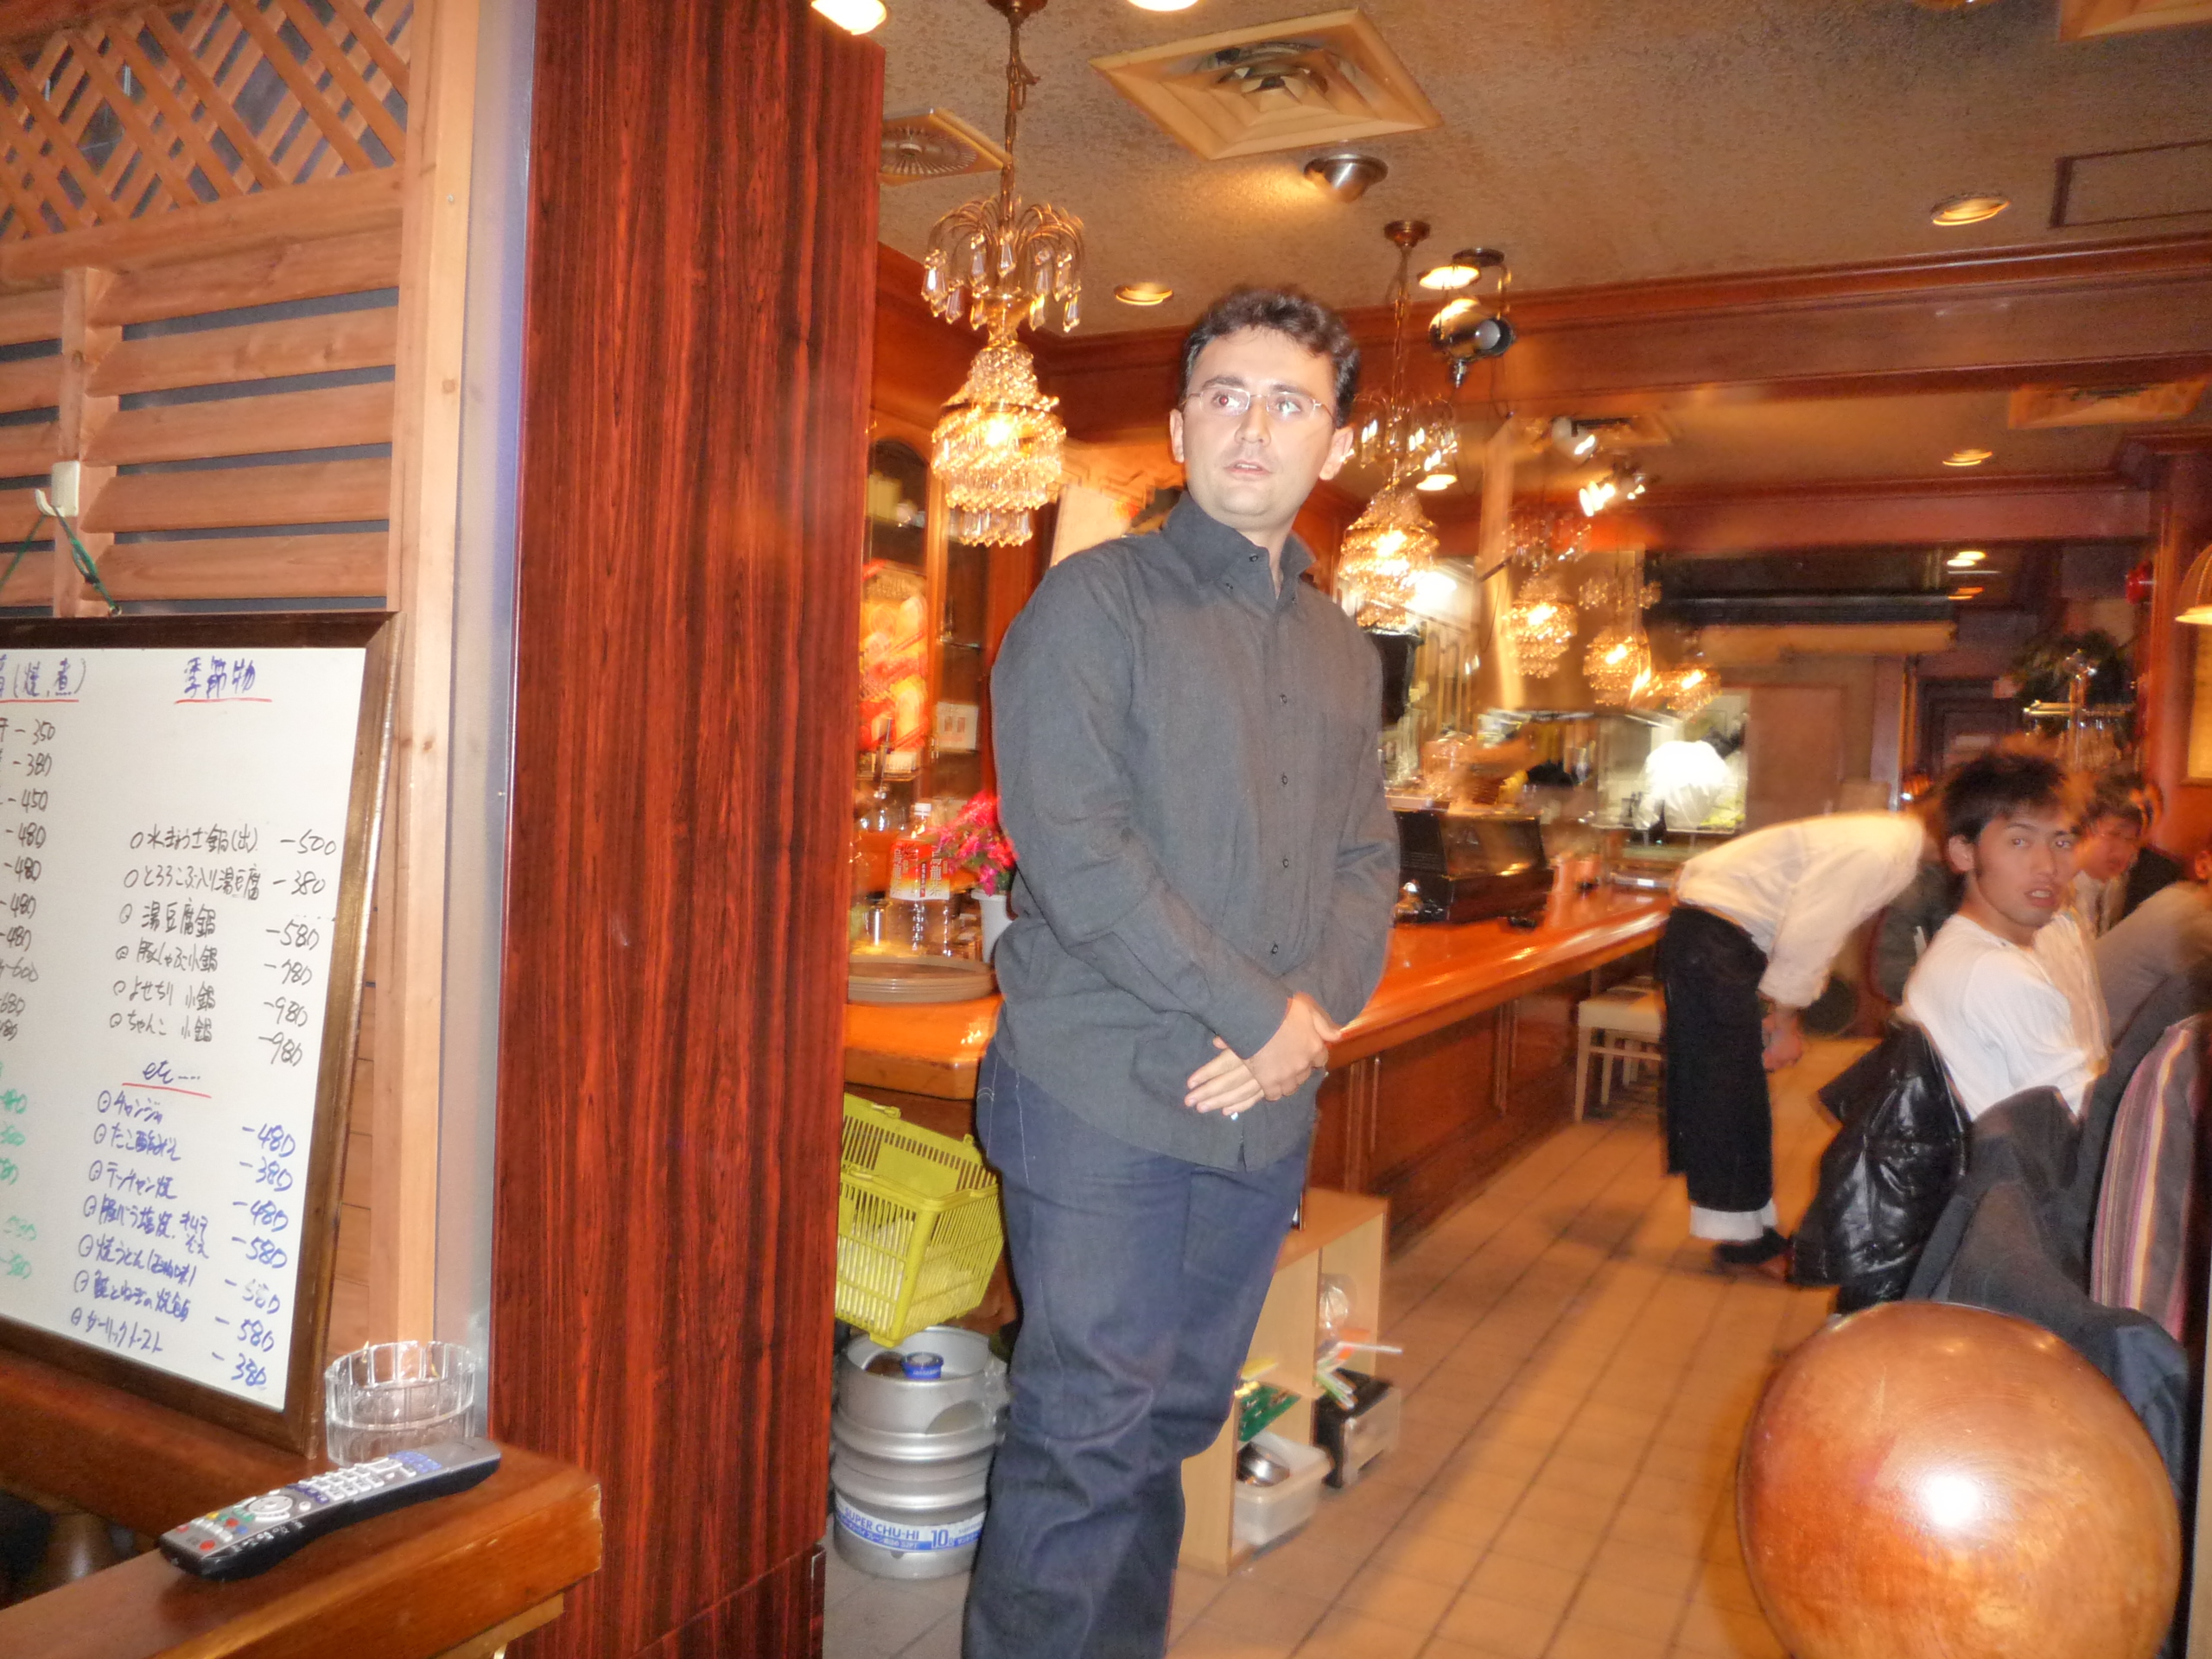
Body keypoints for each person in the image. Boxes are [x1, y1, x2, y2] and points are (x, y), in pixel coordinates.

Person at [968, 289, 1400, 1659]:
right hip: (1102, 1090)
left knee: (1171, 1425)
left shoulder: (1341, 649)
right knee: (1084, 1435)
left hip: (1261, 1103)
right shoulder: (1094, 603)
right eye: (1225, 395)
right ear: (1178, 426)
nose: (1252, 426)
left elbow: (1365, 855)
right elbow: (1075, 851)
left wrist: (1306, 1020)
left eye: (1289, 402)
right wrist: (1255, 1012)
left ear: (1335, 443)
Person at [1658, 809, 1932, 1271]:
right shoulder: (1881, 849)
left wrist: (1782, 1016)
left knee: (1735, 1096)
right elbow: (1811, 934)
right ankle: (1745, 1241)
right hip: (1716, 938)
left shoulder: (1891, 844)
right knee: (1726, 1096)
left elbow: (1815, 931)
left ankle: (1747, 1232)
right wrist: (1783, 1022)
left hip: (1720, 936)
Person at [1904, 750, 2107, 1119]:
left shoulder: (1961, 943)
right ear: (1964, 853)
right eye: (2019, 841)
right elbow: (2082, 1122)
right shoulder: (1996, 972)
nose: (2047, 866)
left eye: (2062, 842)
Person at [2069, 781, 2145, 939]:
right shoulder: (2064, 883)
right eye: (2113, 835)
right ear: (2088, 831)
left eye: (2130, 840)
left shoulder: (2114, 885)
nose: (2122, 851)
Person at [2116, 772, 2186, 918]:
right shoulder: (2097, 859)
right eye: (2135, 810)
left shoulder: (2166, 871)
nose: (2143, 818)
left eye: (2149, 810)